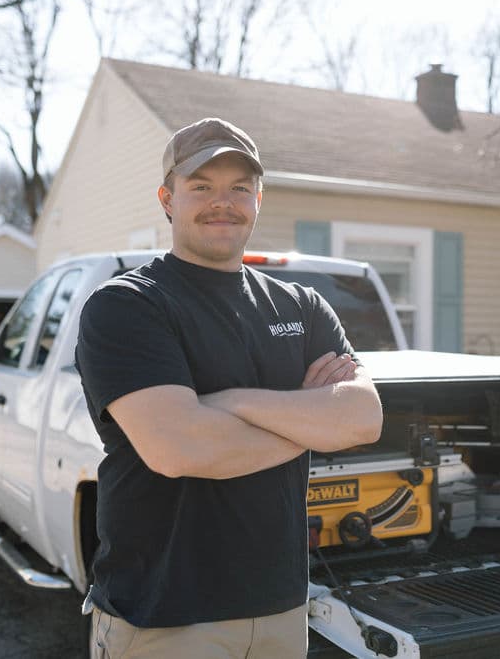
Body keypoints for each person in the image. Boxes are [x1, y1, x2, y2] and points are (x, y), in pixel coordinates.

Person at [75, 117, 383, 658]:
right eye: (202, 186)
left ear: (258, 199)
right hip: (163, 617)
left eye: (240, 187)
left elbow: (362, 419)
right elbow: (181, 448)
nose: (224, 201)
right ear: (167, 198)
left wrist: (232, 403)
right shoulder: (129, 305)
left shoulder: (302, 307)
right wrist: (312, 422)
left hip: (282, 609)